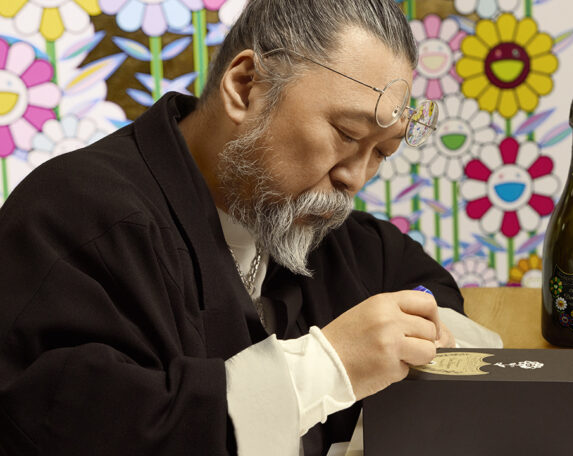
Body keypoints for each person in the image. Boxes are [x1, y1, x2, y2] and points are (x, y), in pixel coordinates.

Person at [0, 0, 501, 454]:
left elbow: (429, 291)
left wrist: (420, 336)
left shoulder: (312, 226)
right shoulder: (78, 216)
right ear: (245, 86)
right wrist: (326, 368)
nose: (354, 177)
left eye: (380, 153)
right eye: (347, 134)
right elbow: (85, 429)